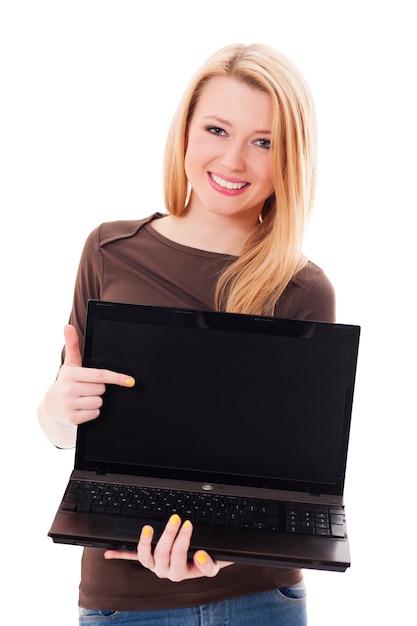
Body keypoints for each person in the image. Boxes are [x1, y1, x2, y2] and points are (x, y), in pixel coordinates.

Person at [38, 42, 335, 626]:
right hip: (119, 601)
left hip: (257, 597)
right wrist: (54, 406)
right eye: (217, 129)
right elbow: (65, 429)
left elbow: (299, 483)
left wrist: (221, 556)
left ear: (290, 159)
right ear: (185, 134)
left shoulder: (304, 290)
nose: (233, 161)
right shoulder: (109, 249)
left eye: (264, 142)